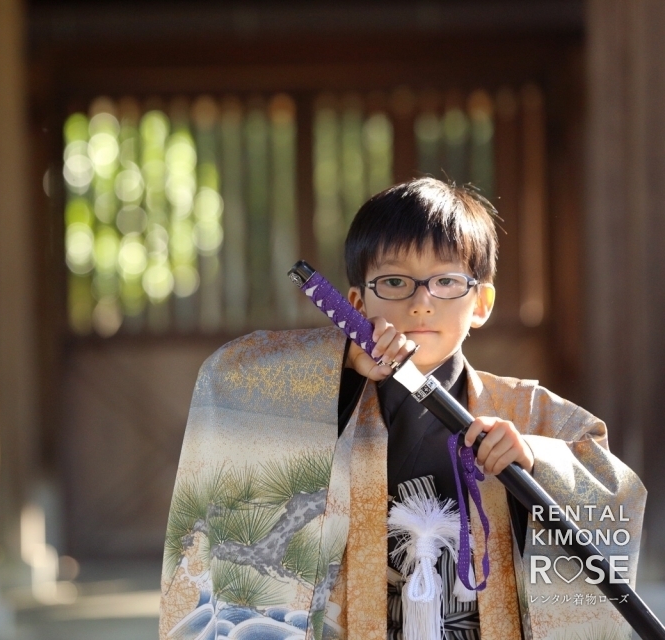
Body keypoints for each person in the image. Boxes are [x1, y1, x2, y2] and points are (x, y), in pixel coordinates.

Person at [158, 178, 646, 640]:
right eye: (394, 282)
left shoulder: (530, 411)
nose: (421, 303)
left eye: (447, 282)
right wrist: (341, 368)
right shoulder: (324, 389)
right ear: (355, 303)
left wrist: (536, 460)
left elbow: (611, 489)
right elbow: (229, 381)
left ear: (482, 302)